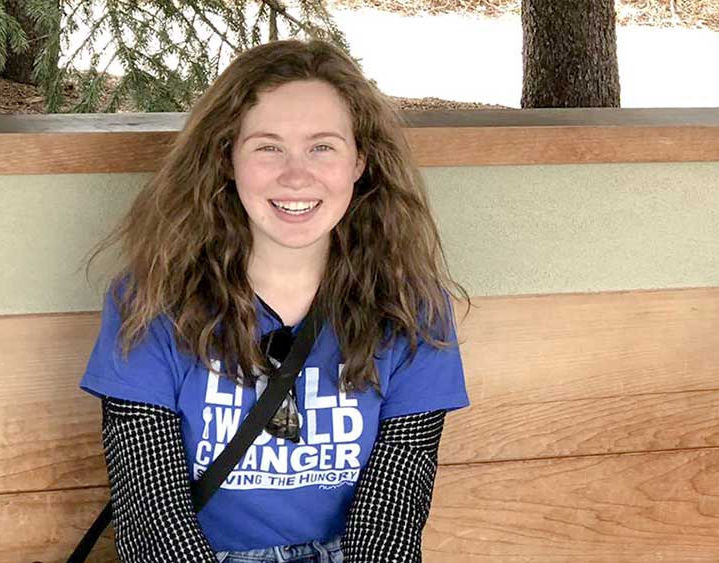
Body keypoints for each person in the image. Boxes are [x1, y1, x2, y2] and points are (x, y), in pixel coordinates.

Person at [80, 38, 469, 563]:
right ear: (226, 159)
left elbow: (392, 517)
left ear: (360, 162)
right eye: (268, 146)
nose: (296, 174)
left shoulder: (411, 309)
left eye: (322, 146)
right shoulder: (151, 302)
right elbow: (152, 521)